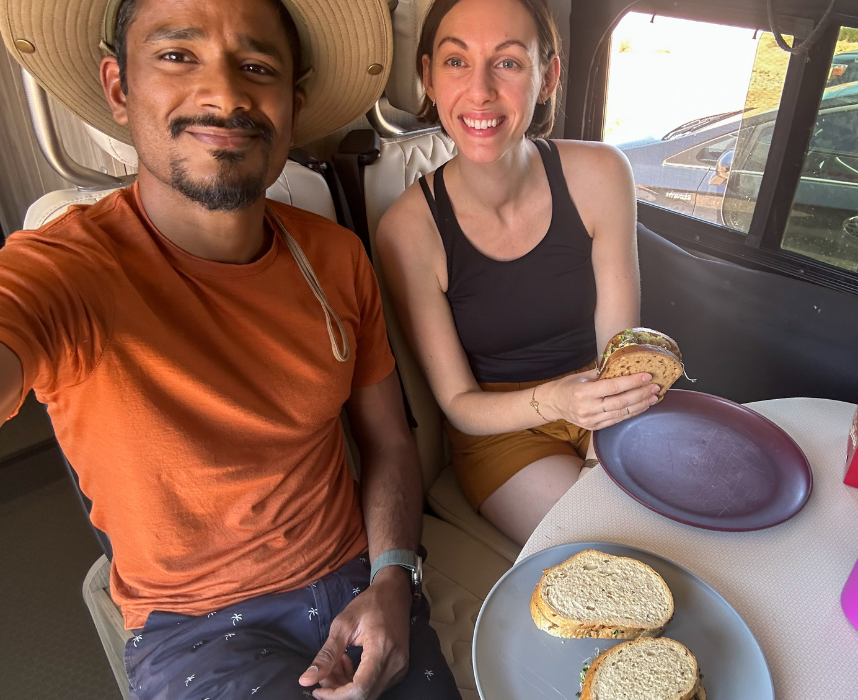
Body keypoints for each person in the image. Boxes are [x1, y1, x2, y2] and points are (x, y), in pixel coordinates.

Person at [0, 0, 460, 698]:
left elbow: (389, 440)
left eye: (256, 66)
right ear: (120, 88)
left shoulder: (335, 257)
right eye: (178, 55)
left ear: (292, 103)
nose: (224, 94)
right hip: (196, 624)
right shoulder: (64, 269)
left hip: (356, 582)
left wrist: (395, 577)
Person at [376, 0, 656, 546]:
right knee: (610, 548)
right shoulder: (409, 230)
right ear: (428, 77)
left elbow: (620, 351)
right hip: (501, 431)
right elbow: (458, 405)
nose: (479, 91)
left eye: (507, 63)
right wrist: (557, 401)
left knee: (689, 522)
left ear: (547, 77)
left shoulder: (601, 175)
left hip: (606, 396)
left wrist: (605, 449)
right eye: (456, 63)